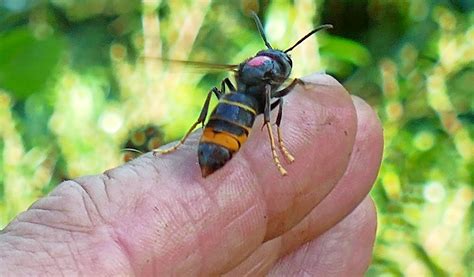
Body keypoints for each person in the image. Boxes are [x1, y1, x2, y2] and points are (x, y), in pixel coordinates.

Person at [0, 74, 383, 275]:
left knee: (224, 93)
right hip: (226, 132)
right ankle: (200, 137)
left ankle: (194, 137)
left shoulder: (253, 83)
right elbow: (273, 107)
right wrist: (277, 140)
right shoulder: (270, 91)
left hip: (226, 124)